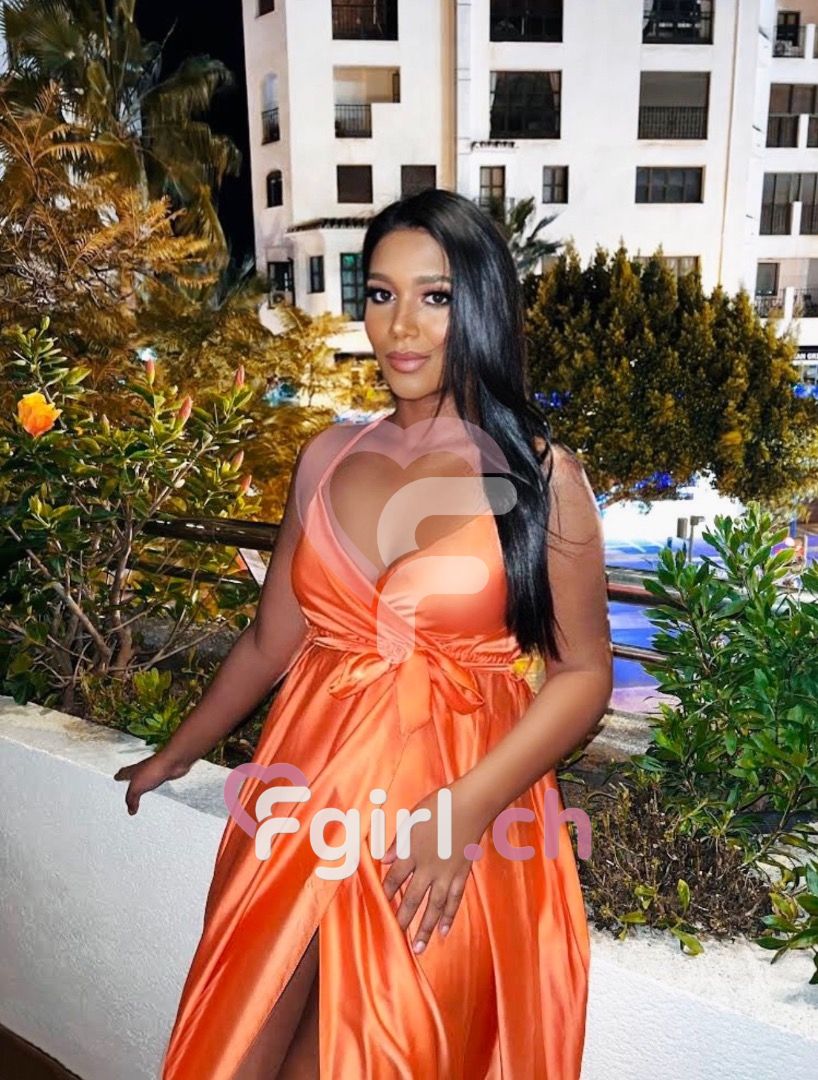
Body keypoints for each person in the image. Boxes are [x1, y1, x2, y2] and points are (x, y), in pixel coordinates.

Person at [114, 188, 613, 1079]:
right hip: (304, 794)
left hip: (447, 811)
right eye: (381, 294)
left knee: (371, 1059)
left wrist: (465, 811)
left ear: (482, 306)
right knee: (238, 1047)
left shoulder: (544, 478)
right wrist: (177, 752)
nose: (401, 326)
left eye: (435, 295)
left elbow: (583, 674)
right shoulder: (326, 455)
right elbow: (270, 642)